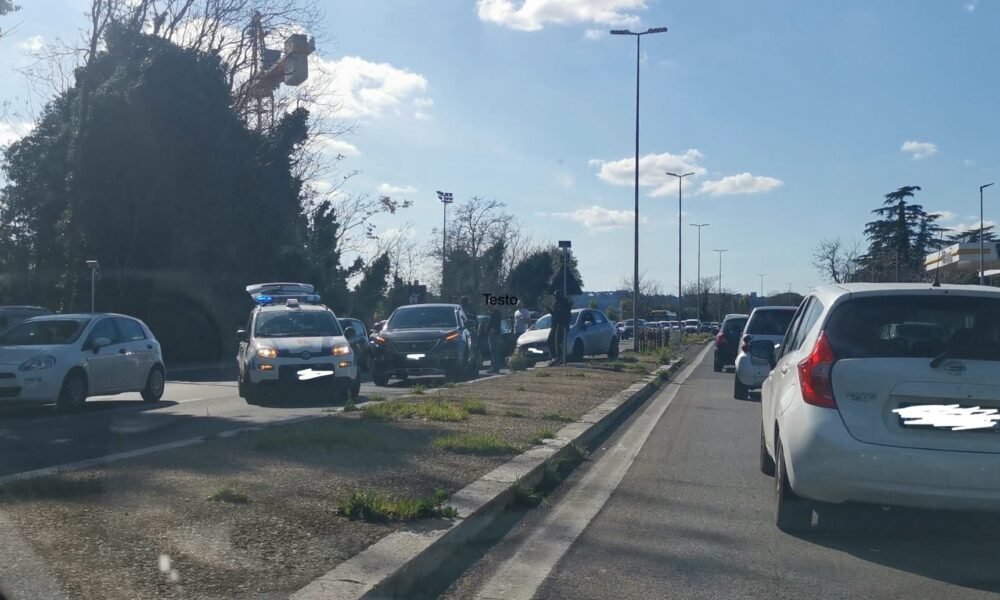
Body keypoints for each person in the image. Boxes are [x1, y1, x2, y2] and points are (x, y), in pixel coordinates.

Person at [549, 290, 572, 365]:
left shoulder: (564, 302)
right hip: (556, 323)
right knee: (550, 339)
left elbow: (565, 313)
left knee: (558, 340)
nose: (556, 298)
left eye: (557, 296)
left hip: (563, 324)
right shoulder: (556, 303)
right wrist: (550, 311)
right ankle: (555, 356)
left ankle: (560, 357)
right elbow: (555, 313)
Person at [487, 307, 503, 374]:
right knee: (493, 351)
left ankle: (496, 368)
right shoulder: (492, 314)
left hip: (495, 334)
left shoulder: (496, 313)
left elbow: (496, 324)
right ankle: (493, 367)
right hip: (491, 334)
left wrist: (492, 329)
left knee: (495, 351)